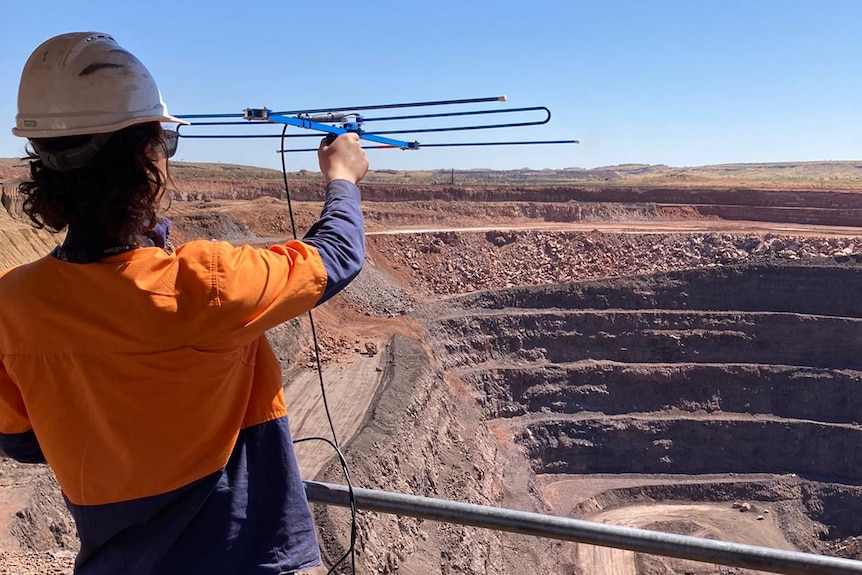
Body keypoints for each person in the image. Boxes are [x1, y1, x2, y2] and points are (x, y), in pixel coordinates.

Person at [0, 32, 368, 575]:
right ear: (148, 159)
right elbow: (336, 254)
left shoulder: (12, 302)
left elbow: (24, 443)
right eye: (165, 144)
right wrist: (343, 178)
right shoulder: (203, 283)